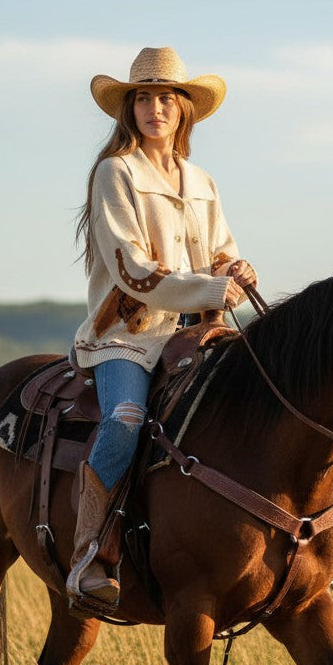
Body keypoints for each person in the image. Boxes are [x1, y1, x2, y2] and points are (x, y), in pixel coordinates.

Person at [67, 47, 257, 608]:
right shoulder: (115, 173)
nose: (155, 109)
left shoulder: (202, 181)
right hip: (128, 336)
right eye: (144, 98)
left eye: (166, 99)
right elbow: (132, 269)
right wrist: (211, 288)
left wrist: (236, 270)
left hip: (195, 332)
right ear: (129, 110)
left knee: (257, 403)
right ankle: (89, 552)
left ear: (183, 111)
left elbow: (222, 254)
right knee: (125, 419)